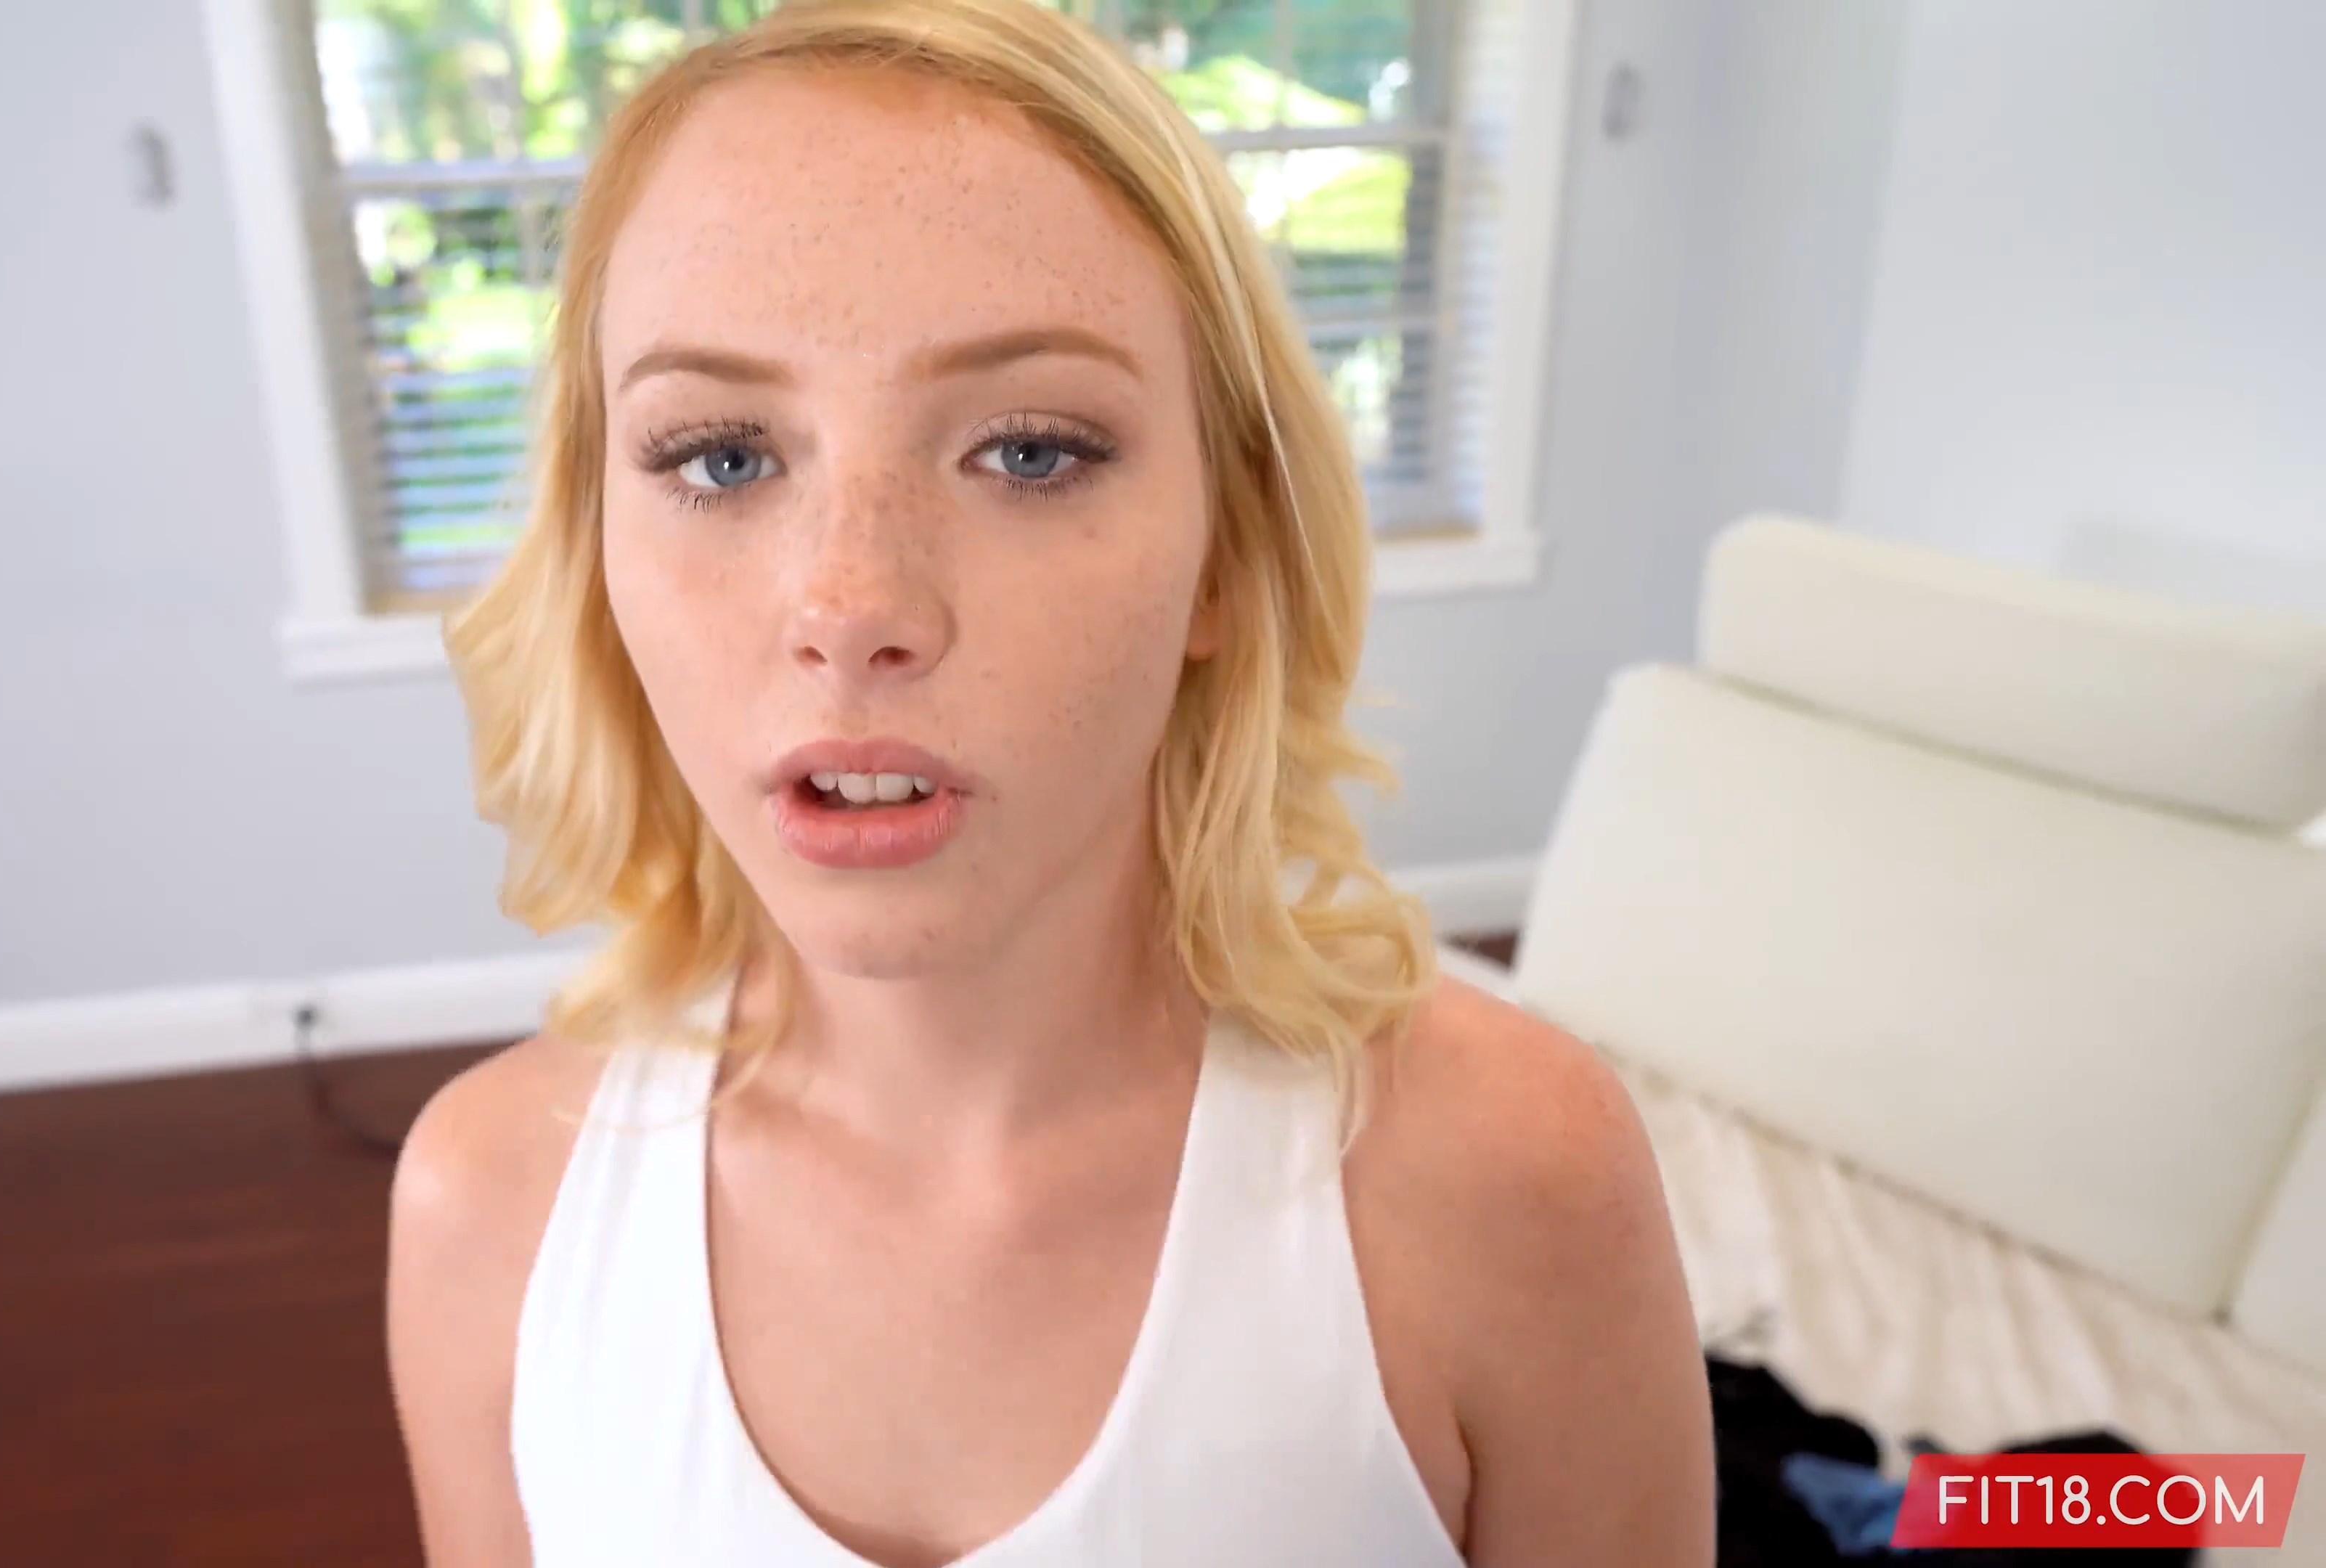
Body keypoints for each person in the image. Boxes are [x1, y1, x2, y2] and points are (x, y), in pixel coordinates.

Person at [387, 0, 1713, 1561]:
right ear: (597, 543)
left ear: (1226, 552)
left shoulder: (1516, 1182)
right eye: (722, 458)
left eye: (1028, 452)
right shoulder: (487, 1207)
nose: (851, 608)